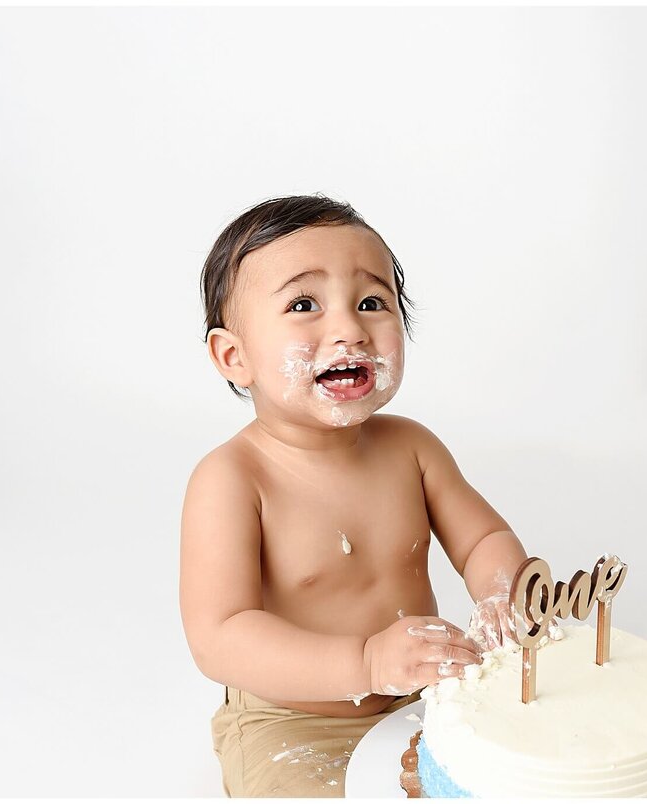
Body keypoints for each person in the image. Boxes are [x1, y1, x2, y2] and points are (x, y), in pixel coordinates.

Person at [180, 194, 529, 797]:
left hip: (426, 696)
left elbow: (484, 540)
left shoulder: (412, 449)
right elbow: (220, 636)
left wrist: (502, 593)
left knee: (519, 774)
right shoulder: (232, 479)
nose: (348, 329)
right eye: (303, 304)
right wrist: (364, 663)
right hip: (295, 722)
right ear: (234, 356)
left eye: (371, 302)